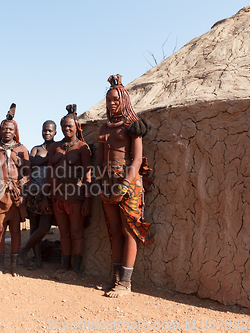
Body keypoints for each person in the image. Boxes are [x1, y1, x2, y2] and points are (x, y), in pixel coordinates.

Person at [97, 74, 153, 298]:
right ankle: (117, 277)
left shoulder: (133, 126)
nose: (111, 103)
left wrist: (124, 186)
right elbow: (101, 160)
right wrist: (100, 185)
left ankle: (126, 283)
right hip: (108, 180)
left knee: (128, 230)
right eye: (108, 99)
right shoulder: (103, 128)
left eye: (115, 99)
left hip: (128, 182)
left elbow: (137, 160)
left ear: (124, 101)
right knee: (113, 231)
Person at [46, 105, 92, 280]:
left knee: (76, 231)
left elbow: (88, 173)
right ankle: (65, 266)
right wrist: (48, 194)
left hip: (76, 195)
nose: (67, 129)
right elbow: (50, 171)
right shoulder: (55, 148)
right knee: (63, 232)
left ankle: (76, 269)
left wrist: (87, 199)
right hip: (58, 195)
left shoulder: (83, 148)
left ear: (76, 127)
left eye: (70, 126)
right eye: (64, 126)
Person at [0, 104, 30, 277]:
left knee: (16, 229)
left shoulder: (22, 150)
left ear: (15, 130)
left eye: (10, 128)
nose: (7, 131)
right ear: (0, 130)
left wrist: (23, 195)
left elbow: (28, 174)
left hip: (16, 196)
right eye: (4, 128)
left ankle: (14, 265)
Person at [20, 120, 57, 270]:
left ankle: (24, 250)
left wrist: (40, 161)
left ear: (55, 132)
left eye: (50, 131)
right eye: (45, 130)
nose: (47, 133)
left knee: (44, 227)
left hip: (48, 193)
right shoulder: (36, 148)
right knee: (34, 226)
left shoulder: (57, 147)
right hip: (33, 191)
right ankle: (37, 261)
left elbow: (37, 162)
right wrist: (48, 159)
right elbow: (31, 162)